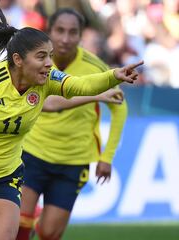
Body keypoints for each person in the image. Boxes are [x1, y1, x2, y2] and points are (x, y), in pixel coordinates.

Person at [0, 1, 142, 240]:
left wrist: (114, 75)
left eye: (49, 56)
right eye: (41, 57)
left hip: (1, 179)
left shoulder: (47, 77)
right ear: (18, 60)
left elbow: (78, 85)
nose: (49, 63)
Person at [16, 8, 129, 240]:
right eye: (59, 31)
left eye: (72, 32)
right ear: (49, 31)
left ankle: (40, 218)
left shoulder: (95, 66)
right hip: (31, 151)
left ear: (81, 36)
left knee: (49, 233)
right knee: (18, 224)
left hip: (73, 160)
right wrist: (96, 96)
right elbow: (49, 102)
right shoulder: (35, 61)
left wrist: (107, 157)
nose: (65, 39)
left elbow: (120, 107)